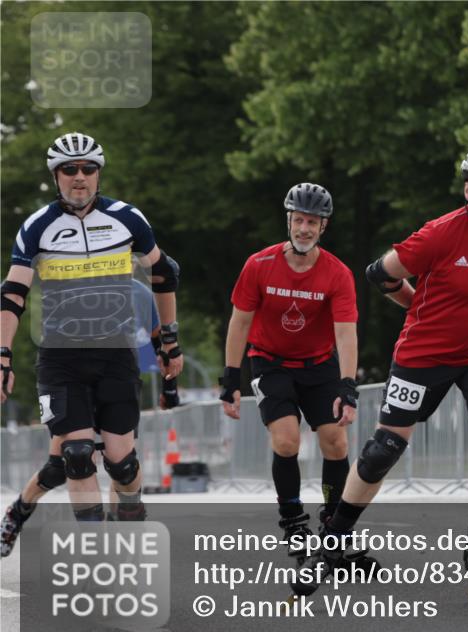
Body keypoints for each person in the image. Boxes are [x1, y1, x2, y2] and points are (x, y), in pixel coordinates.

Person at [302, 144, 468, 601]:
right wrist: (417, 304)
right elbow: (380, 273)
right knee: (384, 450)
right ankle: (333, 542)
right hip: (424, 352)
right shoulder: (440, 234)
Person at [0, 132, 183, 529]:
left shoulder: (127, 218)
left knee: (122, 463)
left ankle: (132, 507)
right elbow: (12, 294)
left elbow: (164, 274)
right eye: (69, 169)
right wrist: (3, 356)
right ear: (56, 176)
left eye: (88, 169)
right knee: (77, 455)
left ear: (99, 174)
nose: (79, 177)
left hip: (116, 354)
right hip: (60, 358)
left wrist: (169, 340)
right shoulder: (37, 227)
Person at [219, 183, 360, 559]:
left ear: (323, 227)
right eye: (299, 220)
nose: (304, 229)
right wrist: (231, 379)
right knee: (286, 441)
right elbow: (239, 323)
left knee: (336, 442)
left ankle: (334, 522)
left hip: (319, 365)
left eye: (312, 223)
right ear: (289, 220)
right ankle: (294, 521)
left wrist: (348, 385)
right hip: (271, 363)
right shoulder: (259, 265)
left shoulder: (337, 273)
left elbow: (345, 332)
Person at [1, 278, 180, 557]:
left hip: (116, 374)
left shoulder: (139, 292)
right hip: (71, 374)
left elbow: (161, 341)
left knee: (121, 466)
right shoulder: (72, 285)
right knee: (66, 462)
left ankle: (118, 538)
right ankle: (18, 512)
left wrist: (170, 387)